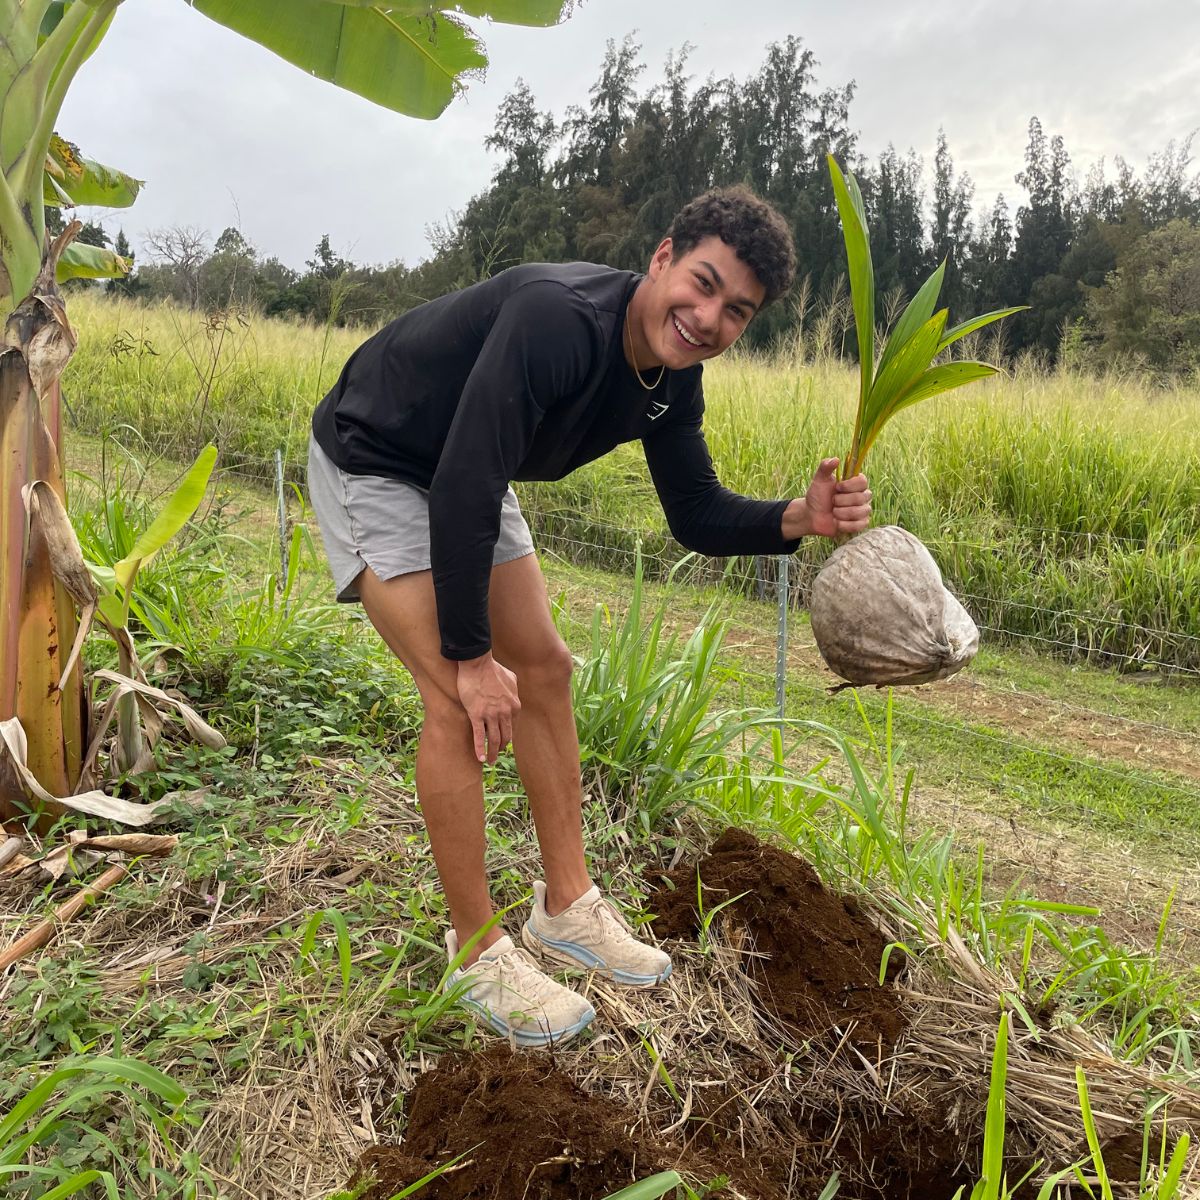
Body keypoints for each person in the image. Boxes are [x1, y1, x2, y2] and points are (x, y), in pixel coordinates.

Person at [307, 185, 872, 1048]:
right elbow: (461, 479)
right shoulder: (558, 321)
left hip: (469, 467)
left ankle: (566, 906)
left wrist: (795, 518)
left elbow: (694, 512)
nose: (708, 316)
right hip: (379, 454)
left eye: (738, 311)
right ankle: (475, 951)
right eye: (703, 282)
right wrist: (467, 654)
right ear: (661, 257)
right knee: (460, 700)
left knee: (545, 670)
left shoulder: (672, 384)